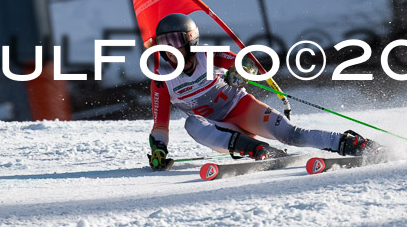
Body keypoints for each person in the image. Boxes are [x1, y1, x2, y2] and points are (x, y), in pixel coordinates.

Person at [147, 13, 383, 170]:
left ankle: (353, 144)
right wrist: (159, 149)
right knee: (192, 124)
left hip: (242, 110)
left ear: (190, 40)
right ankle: (258, 150)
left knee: (292, 134)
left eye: (174, 40)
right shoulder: (161, 79)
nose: (169, 49)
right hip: (218, 132)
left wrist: (240, 73)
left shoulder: (209, 55)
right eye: (163, 42)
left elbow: (247, 64)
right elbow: (160, 124)